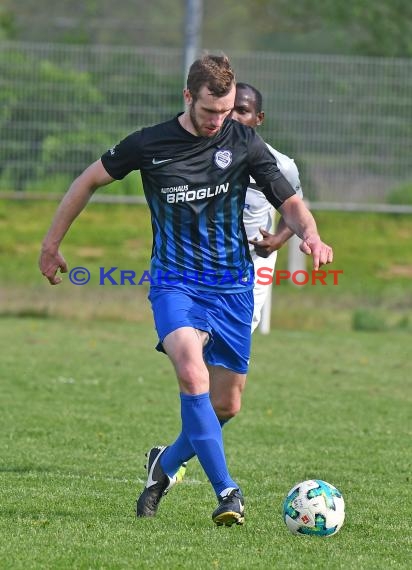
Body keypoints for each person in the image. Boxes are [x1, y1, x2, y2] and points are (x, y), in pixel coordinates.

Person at [39, 54, 333, 527]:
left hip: (233, 287)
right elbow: (88, 180)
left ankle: (166, 465)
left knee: (226, 405)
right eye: (208, 111)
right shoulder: (150, 144)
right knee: (192, 376)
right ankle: (227, 492)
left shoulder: (243, 141)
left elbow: (291, 202)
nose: (218, 121)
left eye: (226, 111)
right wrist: (51, 244)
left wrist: (310, 235)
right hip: (176, 283)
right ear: (187, 98)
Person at [232, 82, 303, 332]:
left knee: (240, 329)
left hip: (254, 260)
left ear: (258, 118)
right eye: (227, 109)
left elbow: (295, 208)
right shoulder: (200, 159)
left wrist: (278, 239)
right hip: (204, 256)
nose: (233, 116)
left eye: (242, 110)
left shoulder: (280, 165)